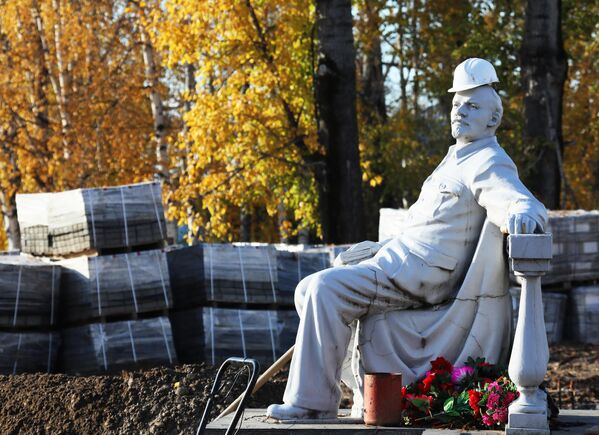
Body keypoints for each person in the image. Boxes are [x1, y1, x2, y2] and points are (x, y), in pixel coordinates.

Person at [267, 58, 548, 421]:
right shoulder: (454, 159)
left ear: (493, 119)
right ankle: (346, 390)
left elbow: (515, 197)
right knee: (306, 289)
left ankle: (311, 404)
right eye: (456, 105)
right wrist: (380, 248)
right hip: (397, 260)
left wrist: (524, 213)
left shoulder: (487, 160)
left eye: (472, 106)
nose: (460, 112)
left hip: (421, 274)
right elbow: (427, 225)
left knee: (325, 289)